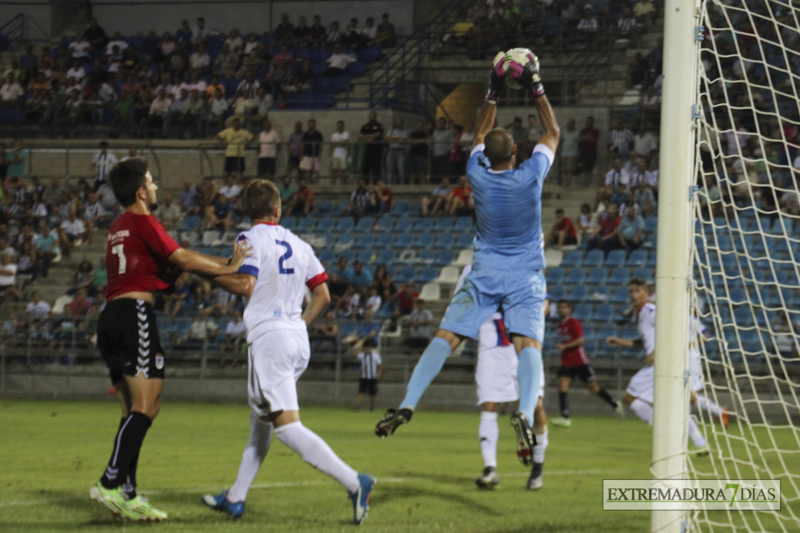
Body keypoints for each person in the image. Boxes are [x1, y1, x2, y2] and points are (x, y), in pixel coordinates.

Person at [375, 53, 560, 470]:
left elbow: (479, 132)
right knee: (528, 344)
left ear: (487, 155)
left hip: (484, 272)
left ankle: (407, 404)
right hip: (525, 274)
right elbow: (553, 131)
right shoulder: (531, 175)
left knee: (445, 337)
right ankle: (526, 413)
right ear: (516, 151)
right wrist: (535, 86)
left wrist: (492, 90)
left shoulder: (475, 173)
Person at [200, 180, 375, 523]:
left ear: (247, 211)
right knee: (261, 420)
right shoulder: (300, 244)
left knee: (286, 427)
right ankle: (236, 497)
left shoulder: (248, 238)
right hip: (296, 337)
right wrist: (299, 324)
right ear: (278, 210)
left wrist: (202, 270)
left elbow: (243, 282)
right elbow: (322, 295)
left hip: (270, 338)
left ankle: (355, 482)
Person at [89, 158, 249, 522]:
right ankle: (110, 482)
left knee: (134, 412)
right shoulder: (144, 221)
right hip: (134, 316)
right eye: (152, 182)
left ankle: (127, 494)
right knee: (147, 407)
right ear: (141, 192)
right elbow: (181, 258)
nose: (157, 187)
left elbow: (165, 268)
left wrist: (185, 267)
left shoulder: (118, 227)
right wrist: (228, 265)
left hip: (110, 316)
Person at [454, 265, 548, 491]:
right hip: (491, 349)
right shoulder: (471, 269)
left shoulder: (526, 261)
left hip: (522, 346)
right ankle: (490, 469)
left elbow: (544, 302)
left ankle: (538, 465)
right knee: (489, 404)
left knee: (535, 406)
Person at [605, 279, 709, 454]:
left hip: (662, 362)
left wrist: (656, 352)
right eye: (631, 291)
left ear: (646, 293)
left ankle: (664, 435)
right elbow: (645, 341)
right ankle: (700, 443)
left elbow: (670, 326)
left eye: (638, 291)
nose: (633, 295)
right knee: (677, 404)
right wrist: (620, 341)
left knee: (630, 396)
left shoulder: (650, 311)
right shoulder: (640, 314)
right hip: (664, 361)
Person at [550, 300, 621, 428]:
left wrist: (564, 346)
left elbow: (580, 340)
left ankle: (614, 403)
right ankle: (565, 417)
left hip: (580, 361)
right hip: (566, 361)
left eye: (564, 307)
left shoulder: (573, 322)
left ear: (569, 310)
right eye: (560, 307)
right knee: (562, 387)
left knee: (594, 389)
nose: (561, 310)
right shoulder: (559, 325)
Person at [353, 338, 382, 412]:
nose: (366, 350)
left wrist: (378, 374)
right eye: (365, 348)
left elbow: (380, 365)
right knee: (361, 392)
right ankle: (357, 406)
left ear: (370, 348)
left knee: (372, 393)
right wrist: (359, 344)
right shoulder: (362, 355)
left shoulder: (375, 355)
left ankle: (372, 407)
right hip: (364, 377)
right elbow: (354, 353)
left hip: (372, 377)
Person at [359, 112, 384, 181]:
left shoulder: (380, 125)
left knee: (376, 167)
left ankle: (376, 183)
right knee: (366, 167)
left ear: (376, 116)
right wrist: (369, 138)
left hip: (376, 149)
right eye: (370, 116)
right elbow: (360, 136)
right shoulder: (365, 126)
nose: (371, 117)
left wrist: (366, 136)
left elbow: (378, 134)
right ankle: (365, 183)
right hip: (367, 149)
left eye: (373, 116)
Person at [385, 118, 408, 184]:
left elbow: (402, 140)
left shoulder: (405, 131)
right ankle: (390, 185)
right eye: (397, 122)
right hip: (391, 150)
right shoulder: (391, 130)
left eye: (400, 122)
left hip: (400, 151)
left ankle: (402, 185)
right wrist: (398, 138)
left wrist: (392, 138)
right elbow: (387, 138)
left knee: (401, 169)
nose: (398, 123)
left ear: (402, 123)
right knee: (390, 170)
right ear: (395, 123)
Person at [330, 120, 350, 184]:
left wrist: (337, 143)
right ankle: (333, 183)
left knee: (343, 170)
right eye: (339, 126)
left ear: (343, 126)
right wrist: (340, 143)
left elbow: (344, 143)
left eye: (341, 126)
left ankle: (345, 183)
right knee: (334, 170)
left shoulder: (346, 134)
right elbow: (332, 145)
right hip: (335, 154)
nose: (340, 127)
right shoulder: (334, 135)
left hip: (343, 154)